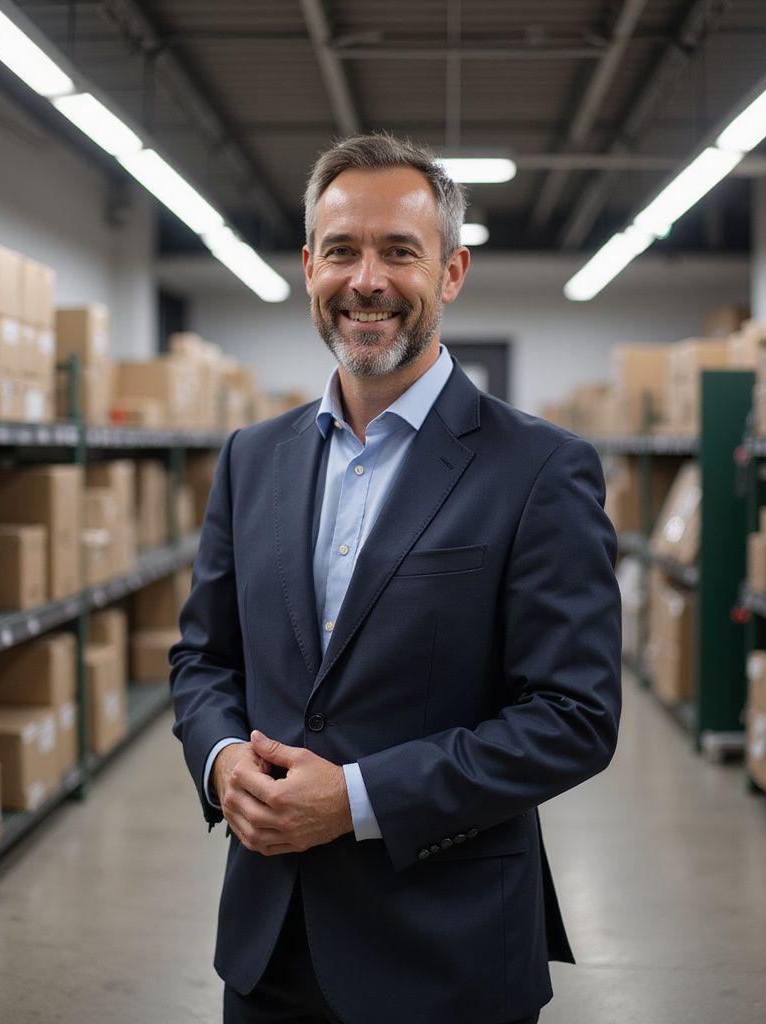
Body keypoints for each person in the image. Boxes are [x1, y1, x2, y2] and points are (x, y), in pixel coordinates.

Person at [170, 132, 621, 1024]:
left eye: (398, 252)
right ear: (308, 267)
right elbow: (203, 658)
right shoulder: (253, 458)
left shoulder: (539, 468)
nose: (366, 280)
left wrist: (357, 799)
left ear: (450, 273)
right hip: (268, 948)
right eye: (341, 250)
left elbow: (574, 718)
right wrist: (221, 762)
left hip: (444, 955)